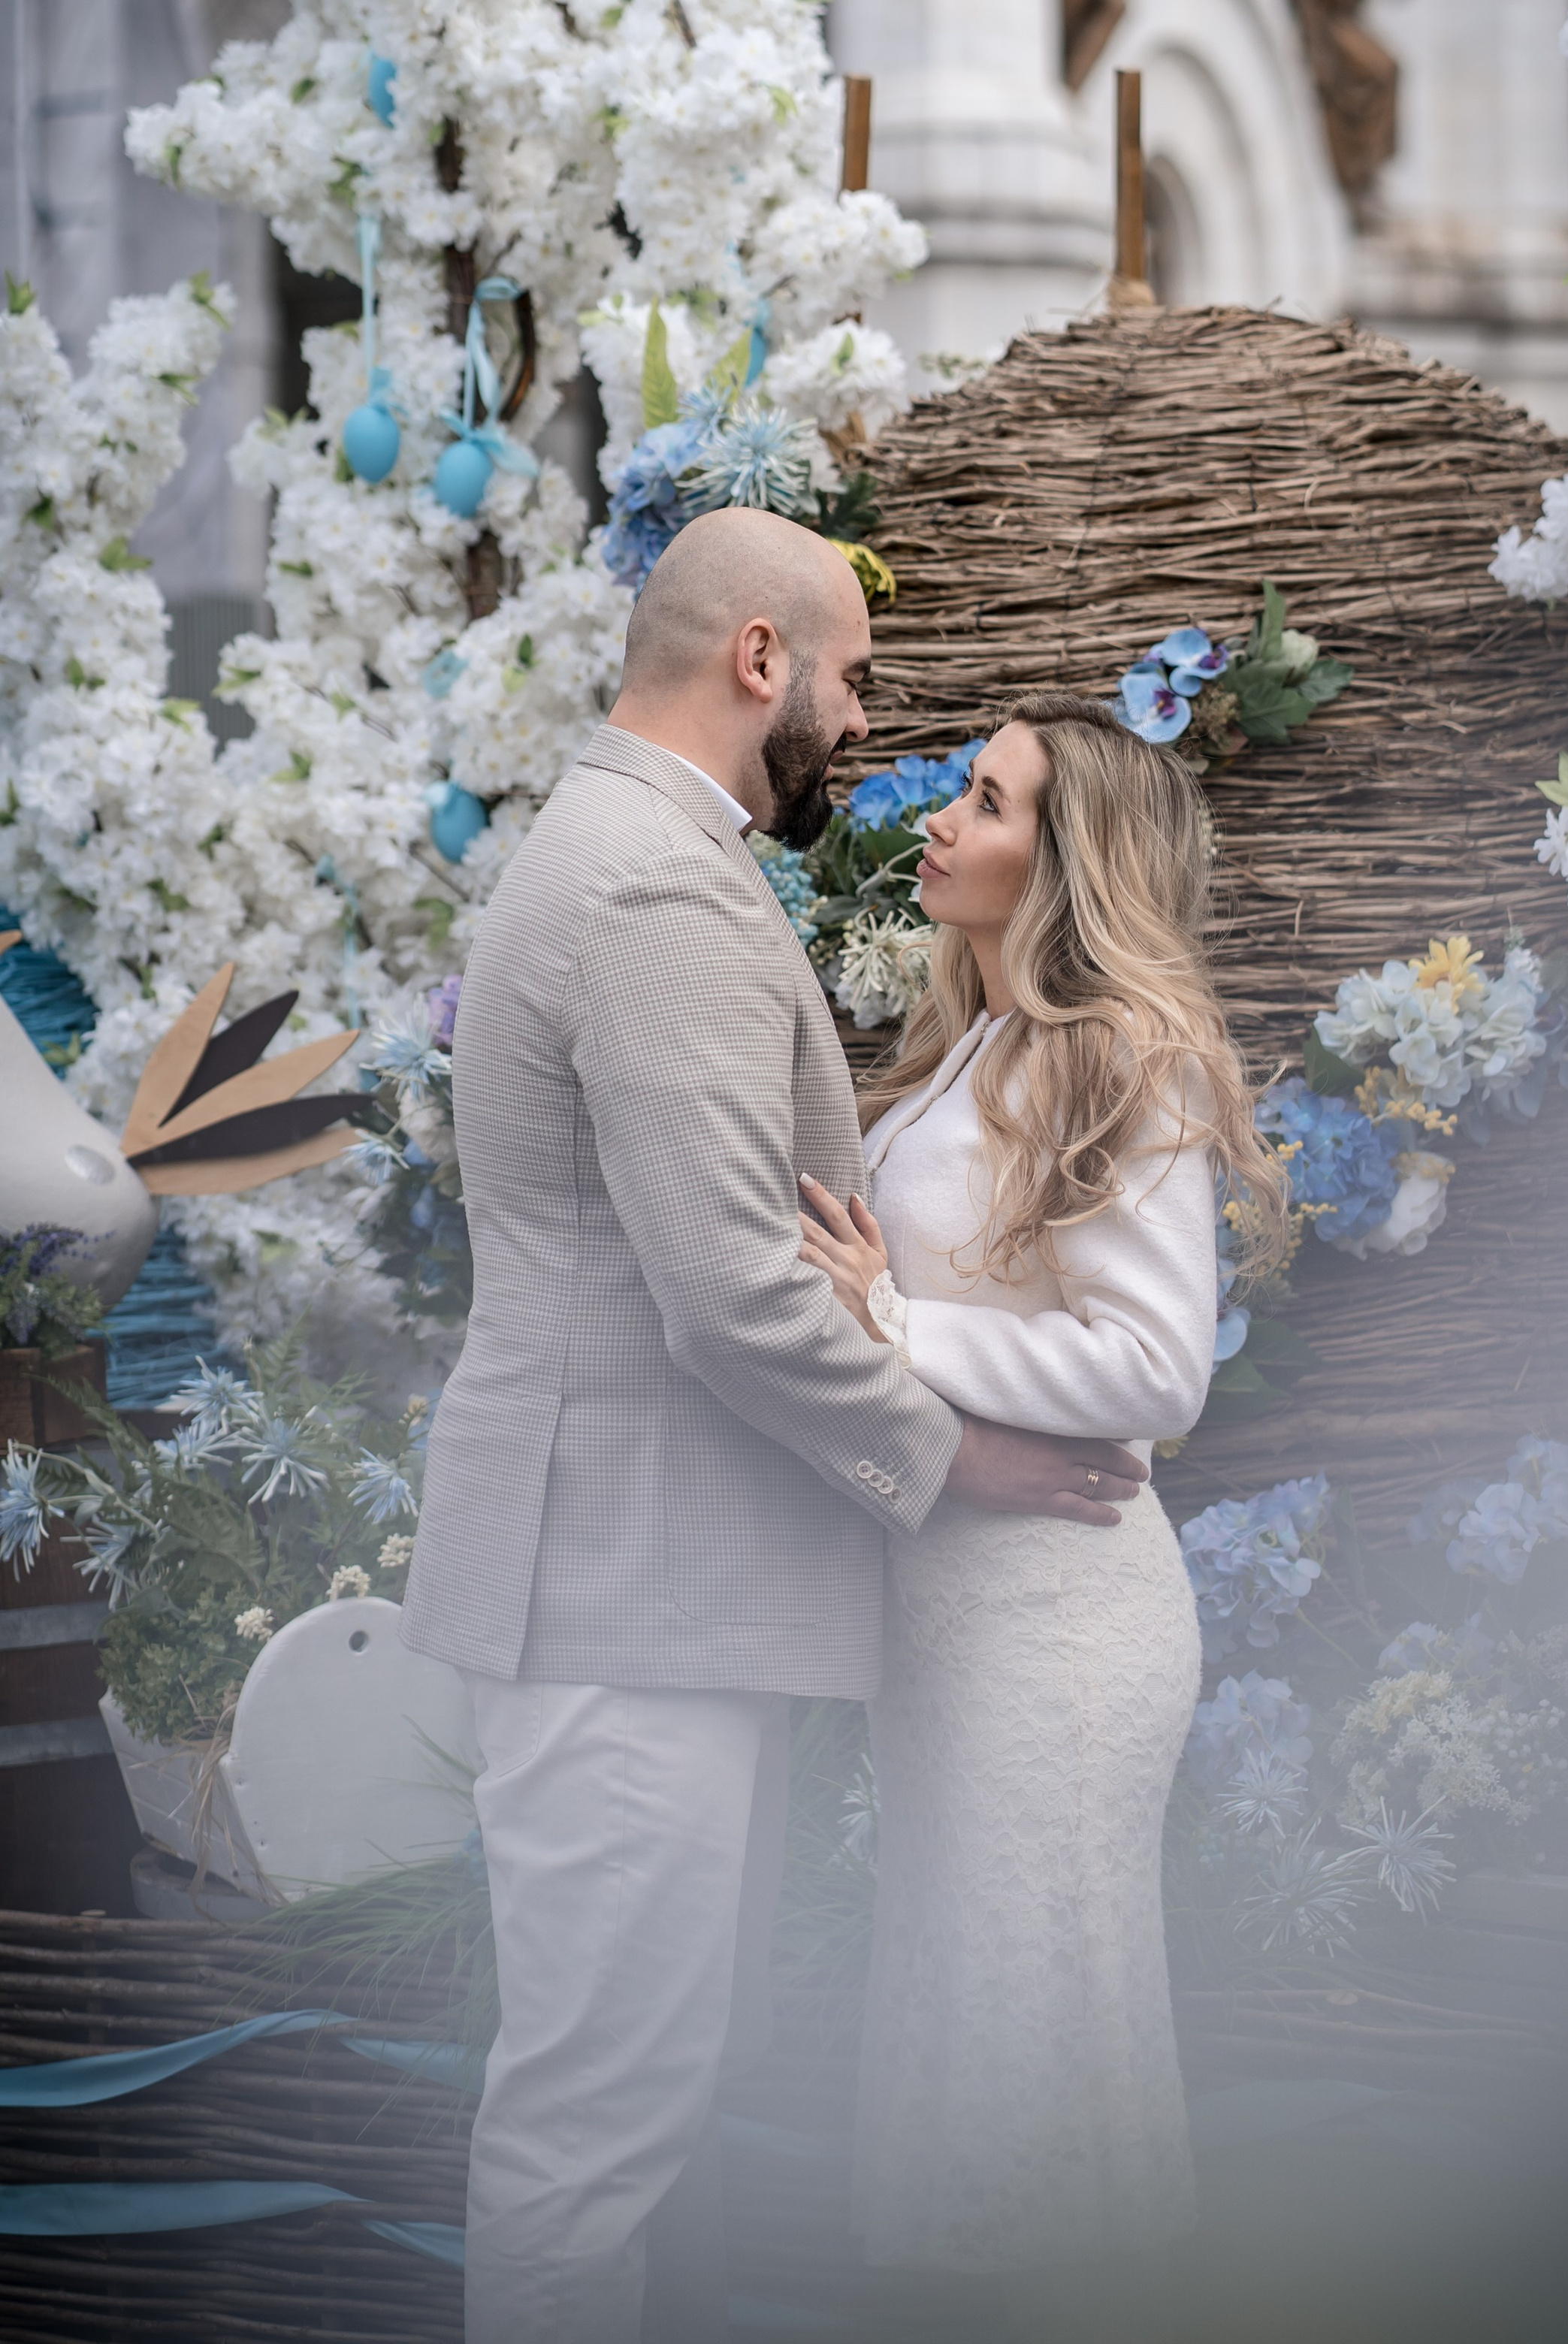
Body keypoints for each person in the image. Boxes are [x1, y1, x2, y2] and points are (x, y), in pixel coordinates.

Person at [400, 517, 1150, 2344]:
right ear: (760, 661)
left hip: (643, 1592)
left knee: (638, 2120)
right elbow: (731, 1293)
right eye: (855, 681)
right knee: (595, 2134)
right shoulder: (654, 887)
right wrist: (959, 1459)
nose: (863, 723)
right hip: (625, 1599)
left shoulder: (630, 854)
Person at [798, 690, 1287, 2318]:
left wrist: (891, 1327)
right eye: (965, 793)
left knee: (1032, 2040)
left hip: (1057, 1626)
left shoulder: (1117, 1062)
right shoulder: (972, 1053)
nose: (939, 818)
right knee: (961, 2027)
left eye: (989, 804)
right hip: (952, 1610)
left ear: (1066, 862)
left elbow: (1155, 1371)